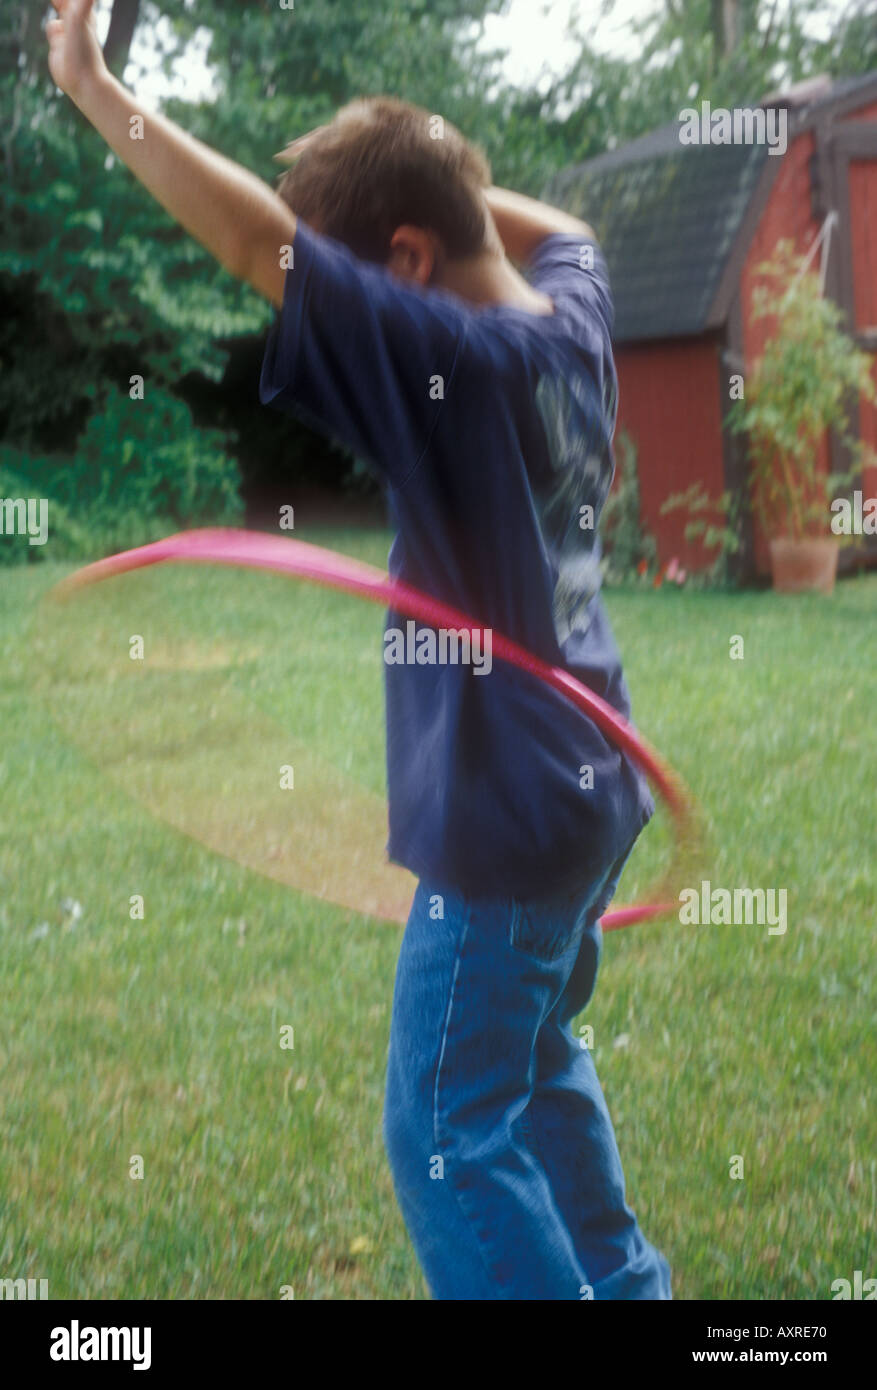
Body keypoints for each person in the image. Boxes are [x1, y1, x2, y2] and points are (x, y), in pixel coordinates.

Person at [47, 0, 671, 1300]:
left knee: (442, 1128)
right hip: (585, 795)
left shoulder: (453, 359)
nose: (311, 305)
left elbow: (253, 240)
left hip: (502, 821)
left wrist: (97, 88)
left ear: (403, 264)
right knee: (534, 1059)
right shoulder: (570, 315)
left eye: (345, 283)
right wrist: (440, 172)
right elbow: (567, 229)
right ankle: (626, 1284)